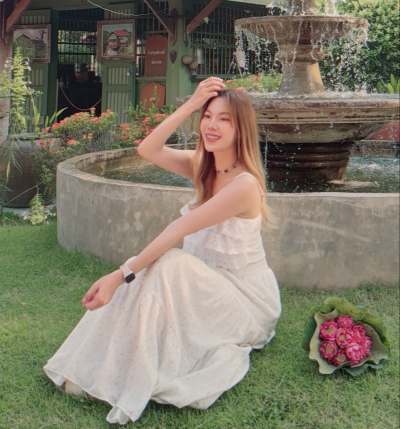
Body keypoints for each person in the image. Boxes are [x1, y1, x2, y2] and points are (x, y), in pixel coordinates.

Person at [43, 77, 281, 425]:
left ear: (241, 128)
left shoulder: (244, 185)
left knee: (165, 262)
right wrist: (190, 105)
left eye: (224, 119)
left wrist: (119, 275)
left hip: (245, 301)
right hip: (206, 286)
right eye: (207, 116)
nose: (211, 125)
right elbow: (148, 149)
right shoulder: (205, 166)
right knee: (150, 265)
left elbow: (177, 230)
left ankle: (127, 371)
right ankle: (107, 365)